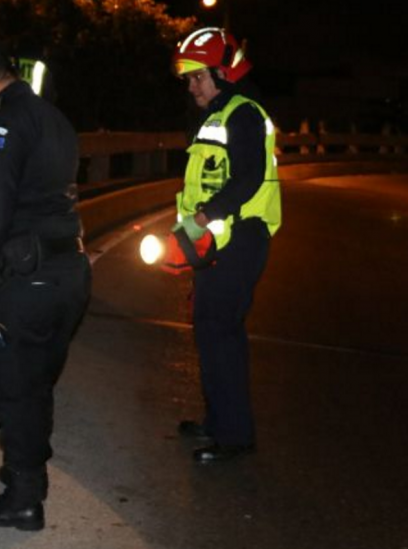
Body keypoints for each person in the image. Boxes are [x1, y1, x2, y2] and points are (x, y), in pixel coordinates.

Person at [0, 37, 91, 530]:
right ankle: (23, 466)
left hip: (28, 276)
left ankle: (25, 496)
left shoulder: (3, 123)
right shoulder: (54, 118)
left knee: (2, 368)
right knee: (35, 377)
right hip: (68, 271)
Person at [171, 27, 282, 463]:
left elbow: (248, 178)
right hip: (216, 242)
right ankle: (218, 421)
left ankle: (234, 436)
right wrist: (189, 234)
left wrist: (202, 218)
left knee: (222, 332)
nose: (192, 86)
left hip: (241, 239)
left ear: (224, 72)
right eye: (189, 78)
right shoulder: (215, 116)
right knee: (209, 330)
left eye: (199, 76)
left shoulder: (243, 114)